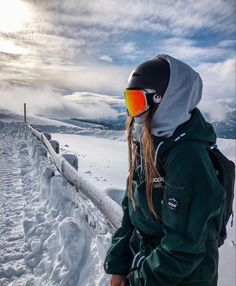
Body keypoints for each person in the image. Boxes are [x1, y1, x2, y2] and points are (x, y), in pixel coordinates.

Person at [104, 54, 225, 286]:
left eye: (138, 102)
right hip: (152, 270)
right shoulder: (149, 142)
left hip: (184, 278)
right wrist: (118, 264)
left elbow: (183, 247)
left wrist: (136, 282)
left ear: (165, 101)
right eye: (129, 102)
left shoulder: (188, 157)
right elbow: (131, 209)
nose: (132, 114)